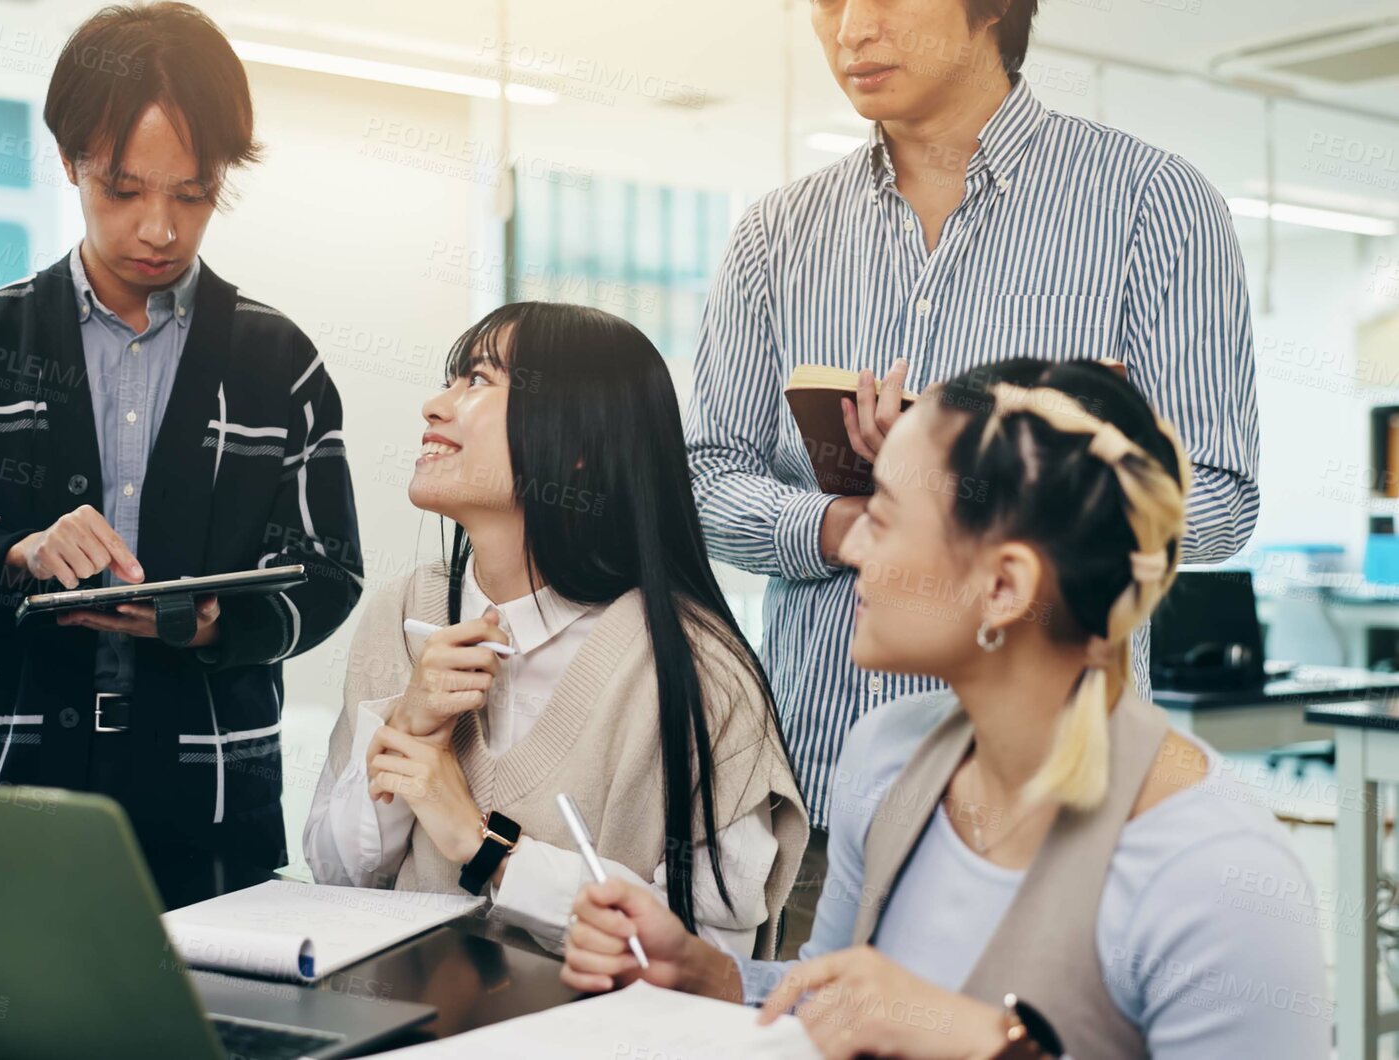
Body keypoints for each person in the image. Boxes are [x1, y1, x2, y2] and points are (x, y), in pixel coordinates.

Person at [685, 0, 1260, 956]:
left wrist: (973, 483)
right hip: (817, 790)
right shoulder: (777, 234)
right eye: (825, 4)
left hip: (1056, 797)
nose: (849, 31)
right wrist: (852, 520)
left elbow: (1222, 500)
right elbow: (705, 481)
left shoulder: (1150, 205)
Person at [562, 360, 1326, 1058]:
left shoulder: (1216, 875)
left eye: (885, 515)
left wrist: (992, 1043)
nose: (853, 546)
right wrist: (712, 977)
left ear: (1003, 587)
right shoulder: (887, 757)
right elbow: (835, 999)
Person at [0, 2, 361, 910]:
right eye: (123, 191)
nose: (160, 230)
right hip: (4, 792)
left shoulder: (280, 365)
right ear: (69, 163)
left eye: (192, 194)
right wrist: (16, 557)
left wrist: (210, 623)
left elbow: (328, 577)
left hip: (208, 811)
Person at [305, 302, 807, 959]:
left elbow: (711, 954)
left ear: (576, 445)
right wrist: (408, 724)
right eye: (450, 379)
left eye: (478, 381)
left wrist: (482, 847)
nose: (434, 405)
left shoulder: (695, 667)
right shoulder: (401, 611)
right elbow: (333, 875)